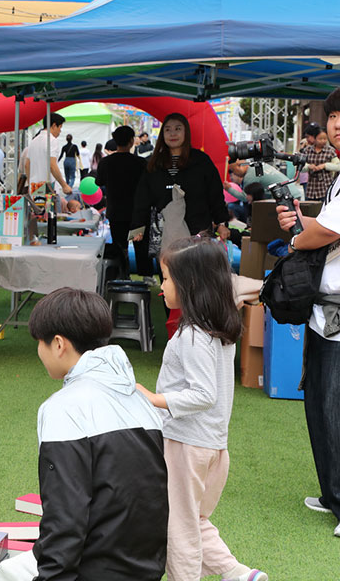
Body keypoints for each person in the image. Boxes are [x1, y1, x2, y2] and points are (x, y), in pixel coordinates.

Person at [0, 287, 166, 581]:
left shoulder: (63, 408)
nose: (38, 351)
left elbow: (65, 517)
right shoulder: (141, 401)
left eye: (39, 343)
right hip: (145, 567)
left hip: (91, 568)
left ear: (58, 344)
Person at [135, 237, 267, 581]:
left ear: (189, 284)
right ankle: (238, 574)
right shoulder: (219, 328)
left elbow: (202, 394)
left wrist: (152, 398)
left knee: (178, 528)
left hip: (186, 446)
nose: (161, 285)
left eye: (165, 278)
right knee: (193, 521)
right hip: (212, 447)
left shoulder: (193, 335)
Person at [277, 87, 340, 539]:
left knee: (333, 407)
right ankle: (332, 491)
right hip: (326, 310)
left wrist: (300, 236)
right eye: (334, 116)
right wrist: (304, 225)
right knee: (318, 404)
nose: (336, 125)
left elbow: (327, 231)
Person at [131, 112, 229, 244]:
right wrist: (138, 226)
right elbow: (142, 197)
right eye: (167, 130)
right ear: (162, 134)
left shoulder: (201, 161)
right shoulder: (154, 163)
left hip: (197, 228)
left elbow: (215, 193)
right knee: (168, 264)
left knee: (196, 263)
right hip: (164, 230)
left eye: (178, 129)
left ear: (186, 133)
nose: (172, 134)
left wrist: (221, 223)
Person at [96, 125, 152, 276]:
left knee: (120, 247)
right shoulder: (140, 163)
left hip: (116, 212)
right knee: (141, 247)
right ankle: (145, 276)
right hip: (137, 213)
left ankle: (121, 274)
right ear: (132, 141)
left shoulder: (106, 162)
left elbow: (98, 182)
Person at [23, 114, 73, 196]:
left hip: (34, 187)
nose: (60, 131)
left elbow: (27, 165)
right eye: (60, 127)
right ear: (54, 125)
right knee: (49, 208)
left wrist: (30, 184)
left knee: (36, 208)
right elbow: (52, 165)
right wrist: (64, 185)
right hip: (48, 188)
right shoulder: (52, 141)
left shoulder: (33, 141)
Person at [300, 128, 339, 202]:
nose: (323, 141)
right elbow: (300, 167)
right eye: (320, 139)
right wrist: (309, 166)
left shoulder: (330, 151)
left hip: (325, 187)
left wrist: (325, 166)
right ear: (314, 138)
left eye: (325, 139)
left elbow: (338, 166)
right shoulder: (307, 151)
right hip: (311, 188)